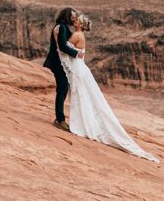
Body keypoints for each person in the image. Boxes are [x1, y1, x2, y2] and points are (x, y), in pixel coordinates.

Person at [59, 13, 158, 162]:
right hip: (80, 68)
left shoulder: (77, 35)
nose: (75, 21)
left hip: (78, 69)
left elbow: (64, 47)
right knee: (83, 96)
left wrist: (56, 36)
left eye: (77, 21)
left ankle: (83, 125)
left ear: (81, 25)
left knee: (81, 96)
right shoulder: (80, 34)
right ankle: (84, 123)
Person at [43, 7, 81, 130]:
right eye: (72, 17)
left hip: (61, 63)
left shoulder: (64, 27)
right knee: (62, 88)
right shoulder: (61, 27)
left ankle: (60, 118)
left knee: (63, 89)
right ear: (66, 16)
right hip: (57, 64)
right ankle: (60, 120)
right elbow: (62, 46)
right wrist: (76, 54)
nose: (74, 19)